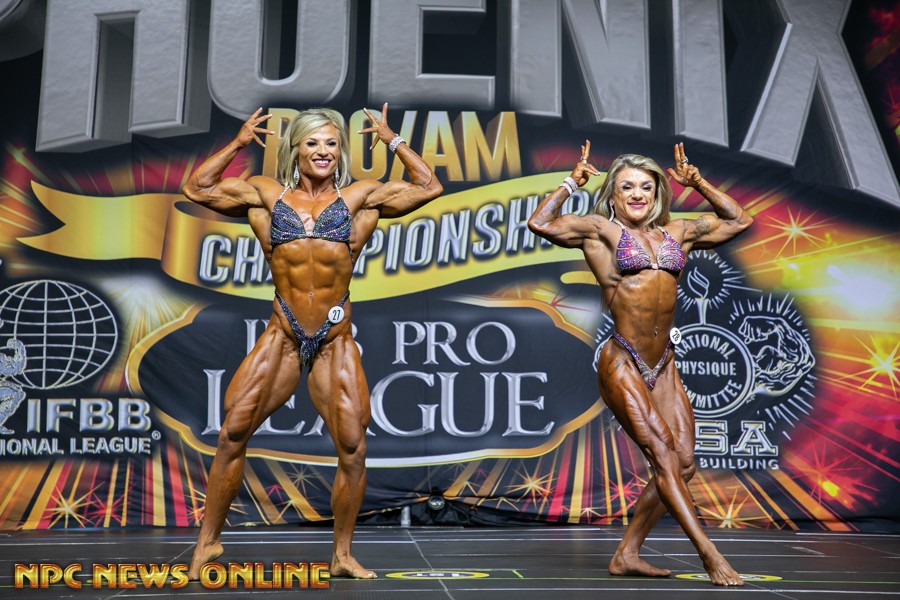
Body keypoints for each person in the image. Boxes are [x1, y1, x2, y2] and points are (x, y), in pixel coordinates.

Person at [182, 104, 443, 579]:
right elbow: (196, 188)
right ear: (296, 150)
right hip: (283, 334)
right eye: (313, 143)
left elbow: (428, 186)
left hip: (333, 340)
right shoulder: (266, 195)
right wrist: (238, 143)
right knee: (232, 432)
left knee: (353, 446)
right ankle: (207, 544)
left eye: (331, 143)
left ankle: (342, 555)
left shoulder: (360, 198)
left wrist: (392, 140)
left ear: (340, 151)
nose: (323, 151)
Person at [528, 142, 752, 586]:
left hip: (663, 362)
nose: (637, 194)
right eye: (627, 186)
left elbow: (739, 220)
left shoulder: (678, 231)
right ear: (613, 194)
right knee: (664, 456)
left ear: (657, 194)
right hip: (623, 360)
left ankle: (627, 554)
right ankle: (710, 556)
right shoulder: (599, 231)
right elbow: (541, 222)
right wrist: (572, 182)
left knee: (683, 463)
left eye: (646, 187)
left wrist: (699, 183)